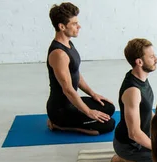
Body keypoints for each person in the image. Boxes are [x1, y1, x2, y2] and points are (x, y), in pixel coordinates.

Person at [46, 2, 115, 135]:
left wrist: (93, 94)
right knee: (108, 125)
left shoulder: (68, 43)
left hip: (71, 102)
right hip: (61, 109)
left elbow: (75, 73)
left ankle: (68, 120)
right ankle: (59, 125)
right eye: (74, 24)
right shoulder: (59, 54)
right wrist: (89, 112)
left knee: (108, 108)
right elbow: (68, 90)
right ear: (62, 27)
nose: (79, 26)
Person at [111, 38, 157, 162]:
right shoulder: (133, 91)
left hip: (143, 137)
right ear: (139, 62)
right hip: (130, 146)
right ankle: (125, 159)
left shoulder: (142, 79)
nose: (156, 59)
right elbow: (134, 134)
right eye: (151, 57)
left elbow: (146, 110)